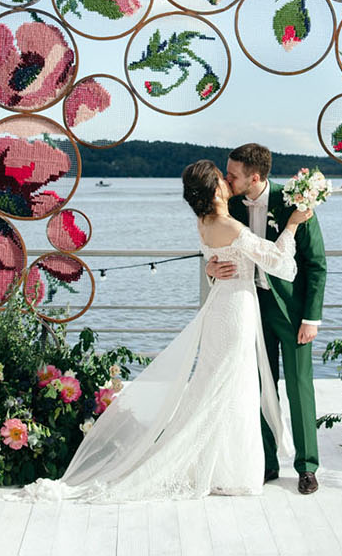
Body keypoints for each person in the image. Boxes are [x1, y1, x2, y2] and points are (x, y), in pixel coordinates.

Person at [21, 159, 311, 502]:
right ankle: (230, 471)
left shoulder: (204, 222)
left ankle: (221, 465)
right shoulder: (227, 224)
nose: (226, 181)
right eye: (222, 178)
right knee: (232, 387)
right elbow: (278, 261)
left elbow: (217, 255)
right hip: (234, 309)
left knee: (219, 384)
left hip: (224, 305)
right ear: (215, 188)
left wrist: (211, 266)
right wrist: (293, 223)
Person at [210, 143, 326, 495]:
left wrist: (311, 318)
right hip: (248, 306)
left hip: (292, 312)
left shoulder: (295, 203)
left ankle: (307, 467)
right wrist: (211, 268)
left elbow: (316, 264)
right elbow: (219, 252)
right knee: (258, 386)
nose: (227, 179)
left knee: (299, 386)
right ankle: (266, 462)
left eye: (233, 174)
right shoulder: (228, 206)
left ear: (255, 177)